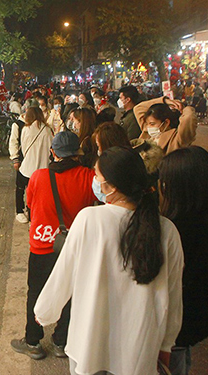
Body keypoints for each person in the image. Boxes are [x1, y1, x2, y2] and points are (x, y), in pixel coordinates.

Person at [35, 146, 184, 375]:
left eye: (97, 176)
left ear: (111, 186)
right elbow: (173, 295)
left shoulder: (89, 220)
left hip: (89, 342)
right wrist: (166, 343)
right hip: (139, 347)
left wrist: (45, 312)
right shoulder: (167, 230)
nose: (94, 180)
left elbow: (64, 273)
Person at [11, 132, 97, 360]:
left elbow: (30, 203)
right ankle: (61, 341)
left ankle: (33, 342)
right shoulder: (89, 177)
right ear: (77, 153)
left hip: (42, 246)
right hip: (74, 249)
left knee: (36, 292)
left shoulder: (39, 177)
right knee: (71, 294)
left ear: (53, 153)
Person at [159, 147, 208, 375]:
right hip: (192, 324)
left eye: (165, 182)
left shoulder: (177, 229)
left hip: (175, 327)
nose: (161, 187)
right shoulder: (205, 218)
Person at [17, 107, 54, 220]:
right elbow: (50, 149)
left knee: (22, 189)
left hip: (27, 168)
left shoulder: (26, 129)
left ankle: (22, 212)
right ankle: (37, 216)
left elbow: (23, 148)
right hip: (43, 169)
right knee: (38, 195)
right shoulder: (48, 130)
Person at [8, 110, 28, 223]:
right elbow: (13, 142)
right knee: (20, 185)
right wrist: (15, 158)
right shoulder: (18, 125)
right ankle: (19, 210)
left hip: (33, 159)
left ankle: (29, 208)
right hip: (21, 159)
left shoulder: (40, 125)